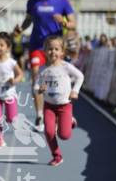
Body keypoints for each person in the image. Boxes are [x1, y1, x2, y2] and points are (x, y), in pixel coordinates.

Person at [13, 0, 76, 132]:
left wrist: (62, 22)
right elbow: (28, 21)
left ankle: (62, 110)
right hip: (37, 46)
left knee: (59, 80)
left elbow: (73, 24)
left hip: (55, 48)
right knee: (36, 79)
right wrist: (21, 29)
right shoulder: (33, 2)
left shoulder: (62, 1)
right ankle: (40, 115)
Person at [36, 35, 84, 166]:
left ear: (62, 52)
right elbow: (36, 86)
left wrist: (75, 91)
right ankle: (57, 156)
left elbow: (80, 76)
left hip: (64, 105)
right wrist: (40, 89)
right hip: (49, 106)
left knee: (64, 136)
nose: (53, 52)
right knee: (49, 132)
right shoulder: (42, 69)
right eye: (50, 49)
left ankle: (71, 121)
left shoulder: (66, 67)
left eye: (57, 49)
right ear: (45, 51)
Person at [0, 32, 24, 148]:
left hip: (9, 95)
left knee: (12, 119)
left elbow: (20, 74)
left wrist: (15, 80)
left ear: (8, 47)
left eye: (1, 45)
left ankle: (9, 116)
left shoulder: (11, 62)